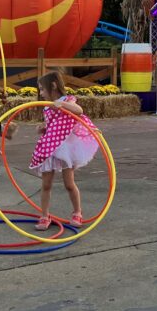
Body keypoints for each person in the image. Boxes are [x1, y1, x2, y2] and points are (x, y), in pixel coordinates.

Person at [30, 71, 99, 230]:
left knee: (69, 184)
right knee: (46, 184)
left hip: (66, 149)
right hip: (50, 149)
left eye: (42, 89)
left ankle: (77, 213)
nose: (40, 93)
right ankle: (44, 216)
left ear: (53, 85)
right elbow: (54, 126)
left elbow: (79, 111)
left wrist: (61, 104)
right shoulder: (47, 107)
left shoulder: (67, 100)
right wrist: (43, 128)